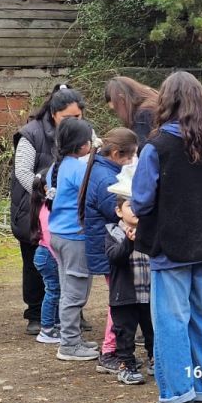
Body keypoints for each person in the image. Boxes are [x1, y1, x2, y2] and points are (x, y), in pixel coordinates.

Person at [131, 71, 202, 403]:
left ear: (166, 102)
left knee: (171, 321)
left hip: (170, 245)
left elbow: (141, 201)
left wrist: (128, 206)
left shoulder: (157, 147)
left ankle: (177, 395)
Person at [11, 86, 86, 336]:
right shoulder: (30, 134)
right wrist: (44, 192)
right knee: (36, 259)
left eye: (78, 117)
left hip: (66, 209)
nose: (74, 122)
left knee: (69, 261)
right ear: (54, 113)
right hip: (34, 208)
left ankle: (71, 311)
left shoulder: (83, 133)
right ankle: (35, 313)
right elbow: (22, 171)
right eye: (68, 117)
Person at [78, 128, 138, 373]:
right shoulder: (107, 179)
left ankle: (114, 348)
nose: (133, 160)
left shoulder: (103, 170)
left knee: (119, 299)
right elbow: (117, 210)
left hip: (104, 246)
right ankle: (110, 351)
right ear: (116, 153)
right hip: (110, 248)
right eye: (130, 155)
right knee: (119, 301)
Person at [45, 117, 99, 361]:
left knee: (68, 288)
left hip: (58, 235)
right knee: (75, 292)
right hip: (74, 238)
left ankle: (73, 337)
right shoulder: (78, 168)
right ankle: (69, 344)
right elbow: (93, 194)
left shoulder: (57, 166)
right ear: (81, 146)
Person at [104, 167, 155, 386]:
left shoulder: (151, 231)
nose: (134, 210)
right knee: (124, 332)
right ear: (118, 211)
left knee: (153, 330)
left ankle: (156, 359)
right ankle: (126, 364)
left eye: (138, 205)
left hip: (149, 292)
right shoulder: (113, 232)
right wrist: (129, 242)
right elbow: (115, 257)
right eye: (128, 205)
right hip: (124, 295)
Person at [104, 76, 159, 145]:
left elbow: (139, 148)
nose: (118, 115)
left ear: (122, 99)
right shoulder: (153, 99)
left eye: (116, 109)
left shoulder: (143, 114)